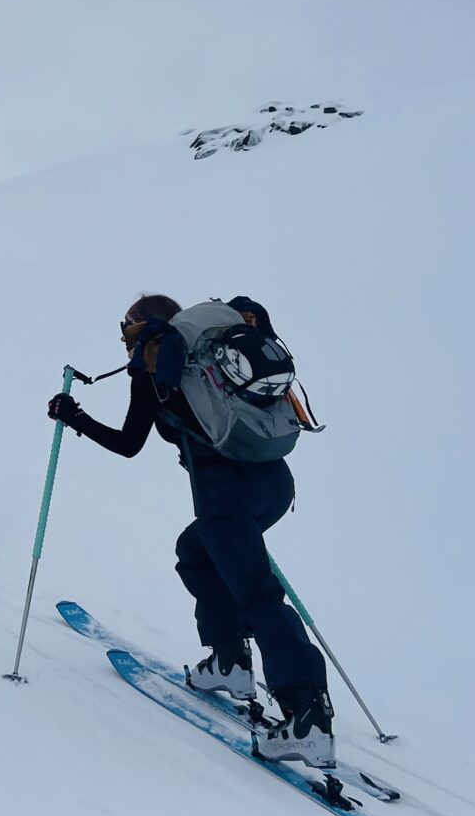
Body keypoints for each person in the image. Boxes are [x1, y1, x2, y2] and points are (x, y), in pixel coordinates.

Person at [47, 294, 337, 767]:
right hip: (274, 484)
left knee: (258, 595)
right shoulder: (212, 354)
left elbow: (127, 444)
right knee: (197, 553)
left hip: (225, 495)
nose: (124, 339)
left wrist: (73, 416)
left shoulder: (156, 362)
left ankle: (308, 717)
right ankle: (230, 662)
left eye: (126, 328)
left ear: (142, 326)